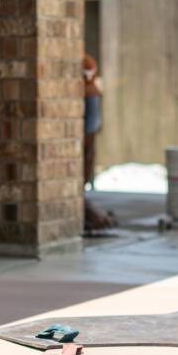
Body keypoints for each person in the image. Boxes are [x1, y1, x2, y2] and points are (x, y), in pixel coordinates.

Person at [82, 53, 116, 232]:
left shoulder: (86, 61)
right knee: (86, 150)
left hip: (89, 98)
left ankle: (82, 195)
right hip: (87, 100)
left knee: (88, 151)